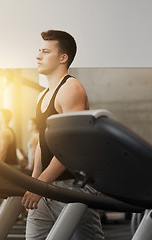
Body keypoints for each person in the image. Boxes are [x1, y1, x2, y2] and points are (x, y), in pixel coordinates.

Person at [21, 30, 104, 240]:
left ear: (62, 58)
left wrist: (41, 185)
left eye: (46, 51)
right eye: (39, 51)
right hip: (47, 185)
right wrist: (34, 183)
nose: (38, 56)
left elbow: (72, 147)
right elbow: (42, 144)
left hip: (73, 187)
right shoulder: (42, 95)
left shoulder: (71, 89)